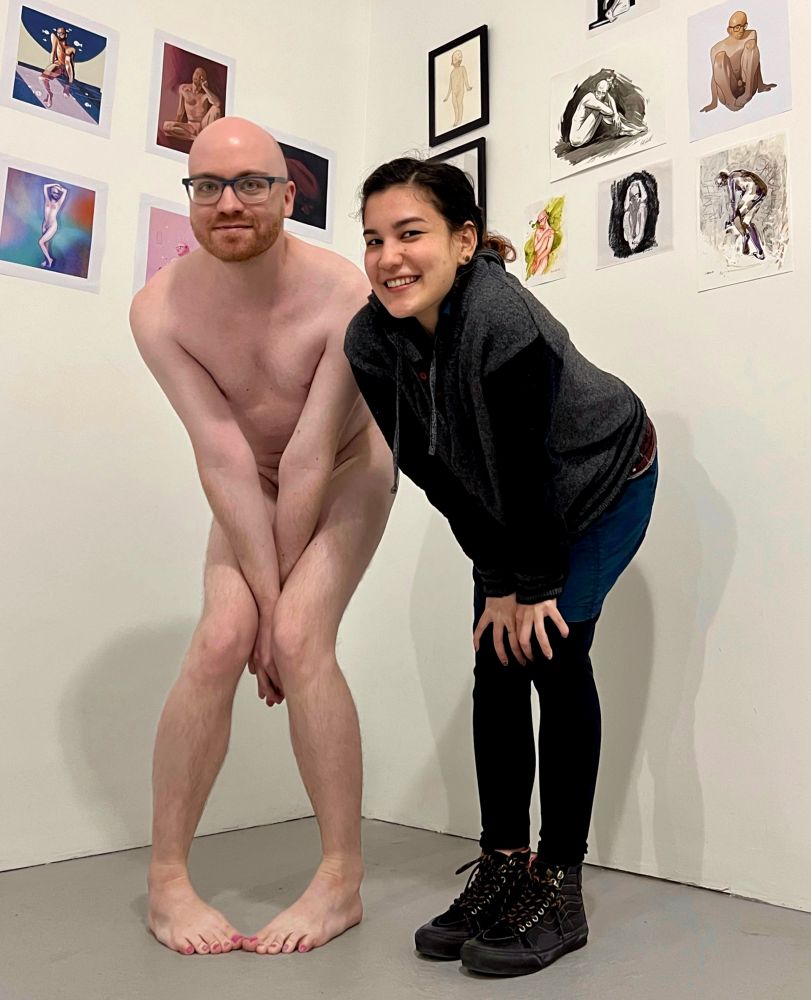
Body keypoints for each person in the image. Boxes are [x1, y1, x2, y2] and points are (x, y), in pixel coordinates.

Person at [344, 158, 657, 978]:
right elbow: (436, 473)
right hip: (518, 499)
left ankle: (558, 881)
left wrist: (534, 587)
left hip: (604, 478)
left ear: (463, 241)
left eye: (409, 234)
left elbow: (527, 469)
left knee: (550, 652)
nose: (388, 257)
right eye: (373, 239)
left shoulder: (499, 317)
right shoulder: (368, 340)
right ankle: (503, 863)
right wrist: (495, 579)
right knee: (494, 658)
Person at [130, 117, 393, 958]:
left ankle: (341, 878)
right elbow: (222, 455)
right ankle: (166, 882)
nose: (228, 204)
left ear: (287, 196)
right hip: (250, 483)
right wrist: (260, 611)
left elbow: (312, 452)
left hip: (347, 467)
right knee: (218, 642)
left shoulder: (344, 293)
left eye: (250, 185)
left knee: (301, 634)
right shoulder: (159, 310)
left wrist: (277, 620)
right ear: (190, 198)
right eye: (207, 186)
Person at [700, 10, 776, 114]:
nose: (741, 30)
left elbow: (755, 62)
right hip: (728, 92)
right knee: (720, 58)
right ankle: (731, 100)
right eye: (737, 27)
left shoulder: (751, 34)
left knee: (751, 45)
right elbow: (715, 77)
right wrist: (714, 102)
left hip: (748, 87)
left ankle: (748, 93)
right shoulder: (716, 49)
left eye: (744, 26)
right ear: (729, 30)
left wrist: (760, 85)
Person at [569, 76, 646, 149]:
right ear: (595, 90)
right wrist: (615, 114)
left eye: (603, 93)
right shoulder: (589, 98)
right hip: (577, 138)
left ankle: (625, 129)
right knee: (601, 108)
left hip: (586, 137)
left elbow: (610, 98)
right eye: (598, 92)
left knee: (603, 107)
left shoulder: (602, 95)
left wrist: (616, 114)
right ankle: (624, 129)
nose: (600, 95)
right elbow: (608, 111)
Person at [716, 169, 767, 260]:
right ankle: (760, 252)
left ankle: (744, 235)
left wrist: (732, 217)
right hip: (762, 189)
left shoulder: (730, 179)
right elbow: (743, 196)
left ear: (724, 179)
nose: (723, 185)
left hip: (753, 190)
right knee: (747, 222)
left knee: (736, 217)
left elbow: (732, 200)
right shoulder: (737, 174)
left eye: (722, 184)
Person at [162, 67, 223, 142]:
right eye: (196, 73)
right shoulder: (184, 89)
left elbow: (217, 103)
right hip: (190, 126)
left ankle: (204, 136)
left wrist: (204, 87)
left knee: (216, 109)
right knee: (167, 126)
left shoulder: (205, 95)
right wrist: (177, 124)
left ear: (204, 79)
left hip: (203, 125)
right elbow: (180, 111)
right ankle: (195, 138)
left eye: (201, 75)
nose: (197, 76)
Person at [40, 26, 76, 109]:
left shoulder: (71, 49)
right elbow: (53, 52)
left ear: (66, 35)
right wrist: (51, 66)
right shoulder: (56, 42)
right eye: (58, 33)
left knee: (67, 59)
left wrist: (70, 79)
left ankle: (67, 86)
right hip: (57, 65)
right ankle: (49, 94)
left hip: (65, 68)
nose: (59, 35)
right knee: (42, 78)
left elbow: (70, 64)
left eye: (61, 33)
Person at [39, 182, 67, 268]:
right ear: (51, 192)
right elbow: (45, 186)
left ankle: (50, 259)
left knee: (41, 242)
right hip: (45, 225)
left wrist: (58, 186)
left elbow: (65, 191)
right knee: (46, 244)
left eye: (57, 193)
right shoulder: (47, 200)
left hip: (52, 226)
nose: (56, 194)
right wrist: (54, 184)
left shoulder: (58, 204)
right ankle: (46, 261)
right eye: (54, 192)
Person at [443, 49, 473, 128]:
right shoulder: (452, 73)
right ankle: (456, 120)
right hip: (454, 92)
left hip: (460, 90)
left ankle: (460, 120)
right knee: (455, 107)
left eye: (457, 60)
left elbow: (465, 78)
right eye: (455, 60)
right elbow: (450, 86)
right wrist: (447, 97)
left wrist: (467, 87)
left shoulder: (462, 68)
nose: (456, 62)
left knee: (459, 104)